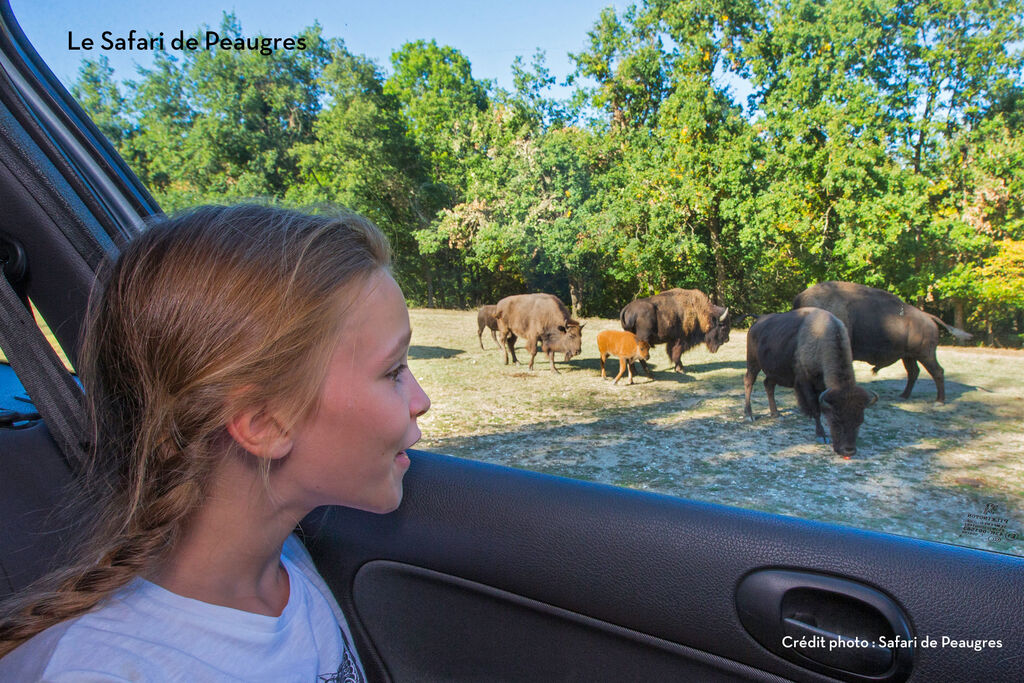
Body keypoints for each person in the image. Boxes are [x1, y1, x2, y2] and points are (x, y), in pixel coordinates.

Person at [0, 204, 430, 680]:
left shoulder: (286, 568)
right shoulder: (101, 672)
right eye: (393, 371)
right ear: (264, 423)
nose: (421, 400)